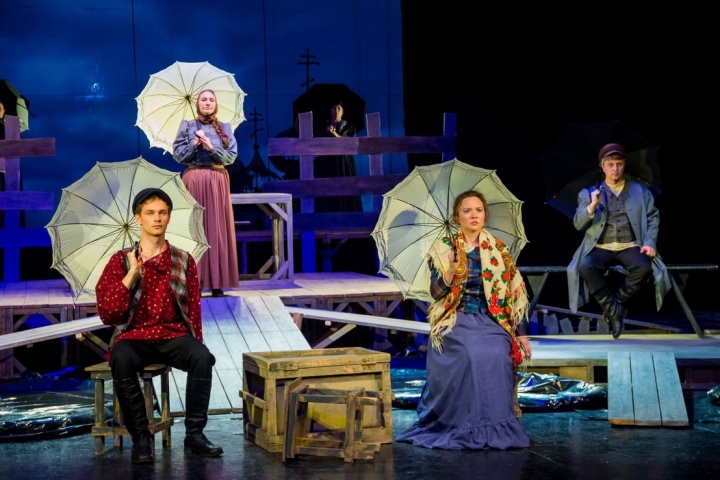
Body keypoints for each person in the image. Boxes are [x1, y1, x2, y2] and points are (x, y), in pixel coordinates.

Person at [396, 189, 532, 450]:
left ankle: (495, 425)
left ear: (485, 215)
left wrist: (521, 334)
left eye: (478, 210)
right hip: (455, 318)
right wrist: (450, 270)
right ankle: (462, 423)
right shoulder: (444, 248)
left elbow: (513, 297)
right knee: (470, 354)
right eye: (467, 211)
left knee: (497, 352)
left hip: (491, 319)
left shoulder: (498, 250)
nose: (473, 215)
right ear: (457, 217)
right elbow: (436, 293)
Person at [95, 188, 223, 464]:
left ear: (168, 217)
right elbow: (108, 313)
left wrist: (196, 341)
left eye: (162, 213)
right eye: (150, 213)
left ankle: (194, 435)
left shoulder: (183, 259)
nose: (157, 218)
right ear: (138, 218)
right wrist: (132, 273)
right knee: (121, 357)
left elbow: (193, 309)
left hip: (172, 335)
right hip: (134, 336)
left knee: (202, 357)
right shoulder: (121, 260)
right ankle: (141, 438)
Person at [567, 143, 670, 339]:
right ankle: (615, 310)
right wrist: (592, 206)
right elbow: (578, 224)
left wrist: (649, 242)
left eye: (619, 164)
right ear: (602, 166)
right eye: (610, 164)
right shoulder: (589, 193)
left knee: (644, 267)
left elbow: (652, 217)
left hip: (630, 244)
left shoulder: (640, 191)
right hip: (600, 245)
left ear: (624, 164)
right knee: (585, 267)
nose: (615, 168)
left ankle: (615, 306)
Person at [173, 89, 240, 297]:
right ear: (198, 104)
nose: (208, 103)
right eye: (204, 100)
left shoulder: (225, 128)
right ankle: (195, 282)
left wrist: (211, 147)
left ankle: (218, 282)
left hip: (217, 180)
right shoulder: (187, 126)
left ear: (215, 104)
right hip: (194, 179)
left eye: (211, 100)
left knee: (217, 228)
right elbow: (178, 156)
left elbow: (231, 157)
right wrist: (194, 144)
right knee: (195, 229)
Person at [313, 101, 362, 212]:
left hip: (344, 161)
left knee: (346, 186)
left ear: (342, 111)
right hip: (327, 162)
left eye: (339, 108)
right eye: (333, 108)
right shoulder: (322, 126)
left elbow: (352, 144)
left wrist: (336, 135)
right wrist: (326, 131)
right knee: (327, 187)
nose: (336, 111)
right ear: (330, 111)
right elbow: (316, 143)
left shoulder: (349, 126)